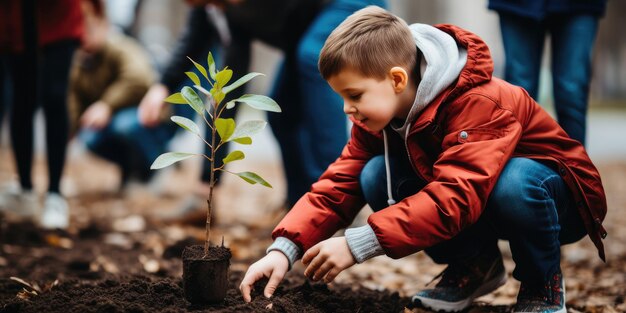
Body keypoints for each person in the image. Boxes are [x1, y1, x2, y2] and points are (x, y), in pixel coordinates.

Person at [240, 6, 607, 313]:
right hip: (481, 198)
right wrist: (284, 250)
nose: (346, 108)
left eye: (354, 94)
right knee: (372, 174)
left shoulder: (480, 102)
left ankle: (542, 284)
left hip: (558, 203)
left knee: (515, 181)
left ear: (397, 79)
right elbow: (337, 184)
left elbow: (457, 195)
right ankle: (474, 265)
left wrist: (358, 243)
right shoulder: (377, 116)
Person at [138, 0, 386, 215]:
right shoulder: (216, 10)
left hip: (344, 5)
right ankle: (302, 202)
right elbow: (227, 86)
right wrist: (163, 85)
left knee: (311, 57)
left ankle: (338, 201)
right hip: (303, 30)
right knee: (281, 114)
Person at [0, 0, 83, 229]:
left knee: (55, 96)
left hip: (58, 16)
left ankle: (55, 195)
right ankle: (25, 190)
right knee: (21, 99)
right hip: (15, 17)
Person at [488, 0, 608, 146]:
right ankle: (519, 165)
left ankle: (575, 167)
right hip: (517, 5)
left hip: (579, 6)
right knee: (519, 94)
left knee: (572, 94)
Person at [69, 0, 159, 188]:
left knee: (123, 126)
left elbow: (138, 78)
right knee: (90, 138)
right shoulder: (80, 64)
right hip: (113, 122)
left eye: (89, 26)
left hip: (146, 116)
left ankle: (153, 168)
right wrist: (68, 133)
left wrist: (106, 105)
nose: (84, 33)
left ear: (103, 24)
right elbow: (74, 102)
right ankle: (128, 171)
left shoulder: (120, 47)